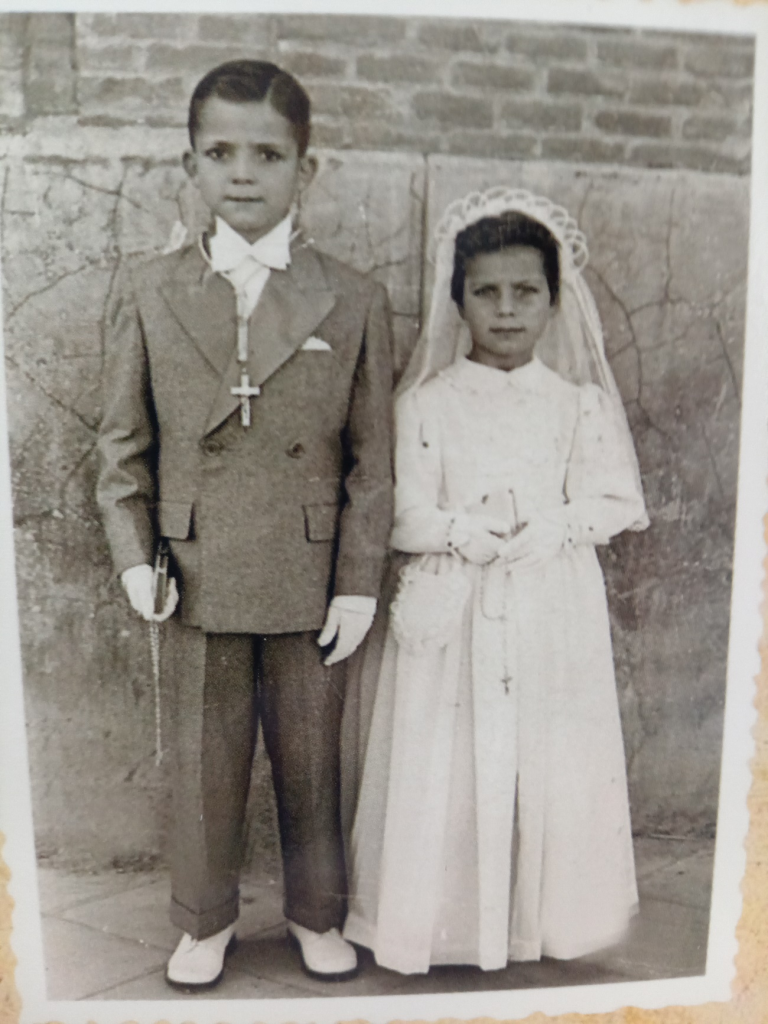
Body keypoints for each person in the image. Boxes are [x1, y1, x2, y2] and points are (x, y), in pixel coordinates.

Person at [96, 59, 394, 990]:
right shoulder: (147, 289)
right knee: (203, 756)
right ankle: (203, 919)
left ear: (308, 169)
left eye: (268, 153)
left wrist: (357, 579)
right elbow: (120, 446)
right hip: (194, 564)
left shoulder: (354, 296)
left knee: (312, 755)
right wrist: (134, 556)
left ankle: (316, 914)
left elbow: (371, 461)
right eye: (219, 152)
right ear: (189, 166)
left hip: (308, 568)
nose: (243, 172)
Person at [343, 187, 649, 974]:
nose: (506, 310)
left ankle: (543, 919)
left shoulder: (578, 406)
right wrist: (457, 530)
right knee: (453, 754)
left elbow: (620, 500)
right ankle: (444, 922)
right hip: (459, 602)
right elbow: (401, 513)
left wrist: (560, 523)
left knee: (548, 755)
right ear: (459, 300)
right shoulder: (428, 404)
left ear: (553, 302)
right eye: (486, 292)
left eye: (526, 293)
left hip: (551, 599)